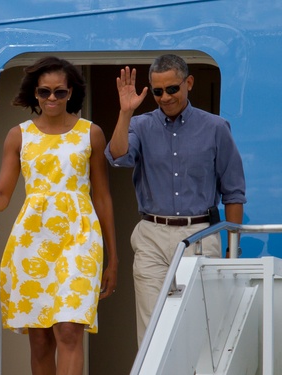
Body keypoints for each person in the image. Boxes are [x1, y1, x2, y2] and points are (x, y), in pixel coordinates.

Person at [0, 56, 118, 374]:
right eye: (45, 92)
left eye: (59, 92)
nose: (52, 99)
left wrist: (112, 259)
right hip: (32, 240)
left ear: (71, 92)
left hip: (80, 239)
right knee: (41, 341)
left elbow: (101, 197)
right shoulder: (19, 135)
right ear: (35, 94)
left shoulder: (92, 133)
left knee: (70, 330)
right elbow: (3, 195)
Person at [105, 54, 246, 346]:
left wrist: (233, 250)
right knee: (151, 328)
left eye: (172, 89)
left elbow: (233, 192)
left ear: (188, 83)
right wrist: (125, 112)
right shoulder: (140, 125)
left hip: (200, 233)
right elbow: (118, 156)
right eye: (158, 91)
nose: (165, 97)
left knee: (201, 325)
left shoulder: (216, 127)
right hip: (152, 235)